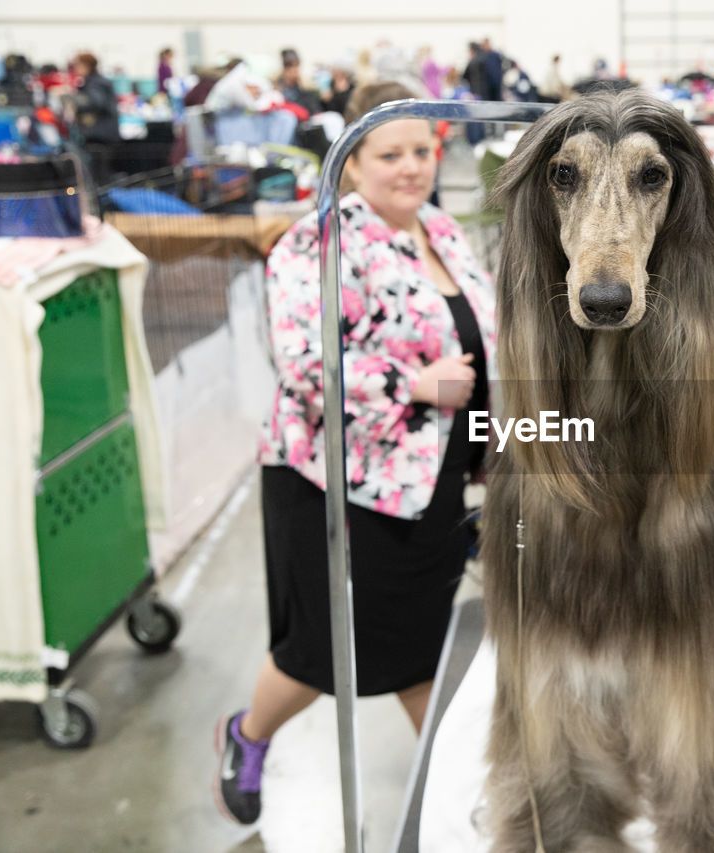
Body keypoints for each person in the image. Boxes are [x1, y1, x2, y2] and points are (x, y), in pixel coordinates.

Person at [214, 80, 497, 826]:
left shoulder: (443, 230)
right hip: (335, 480)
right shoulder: (320, 241)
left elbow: (482, 340)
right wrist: (414, 382)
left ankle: (457, 787)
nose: (411, 167)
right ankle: (247, 735)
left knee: (421, 639)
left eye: (422, 150)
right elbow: (306, 365)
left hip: (429, 478)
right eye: (390, 153)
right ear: (350, 161)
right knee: (317, 649)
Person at [71, 52, 119, 184]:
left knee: (99, 175)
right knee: (101, 174)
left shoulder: (95, 83)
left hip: (99, 136)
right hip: (103, 134)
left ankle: (102, 201)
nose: (75, 68)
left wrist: (72, 100)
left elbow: (96, 102)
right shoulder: (97, 82)